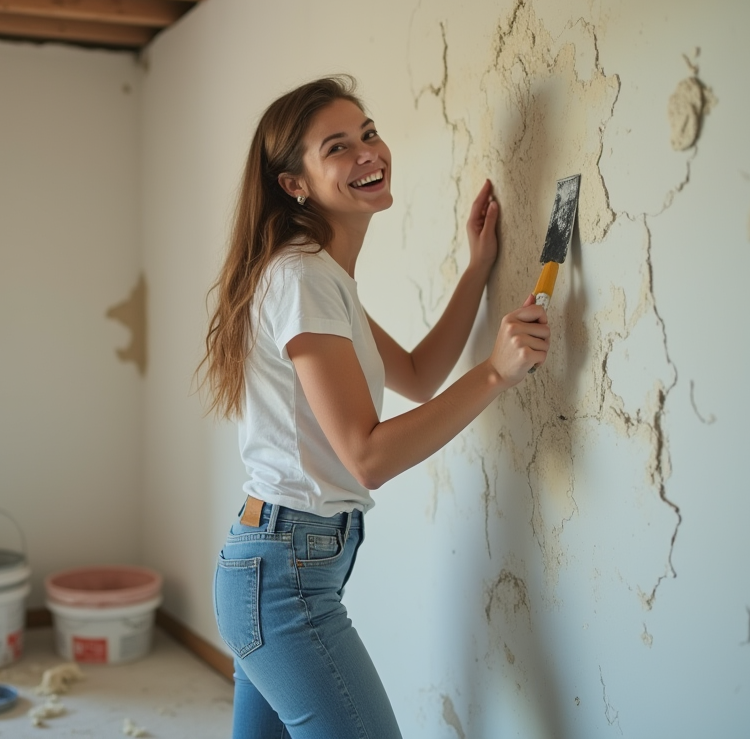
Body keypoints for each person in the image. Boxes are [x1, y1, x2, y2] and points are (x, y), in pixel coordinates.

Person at [200, 75, 551, 738]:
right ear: (293, 183)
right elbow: (367, 456)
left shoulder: (322, 279)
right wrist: (497, 374)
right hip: (284, 582)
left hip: (275, 567)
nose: (368, 152)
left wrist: (478, 269)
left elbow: (418, 375)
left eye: (368, 133)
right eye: (338, 146)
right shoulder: (303, 278)